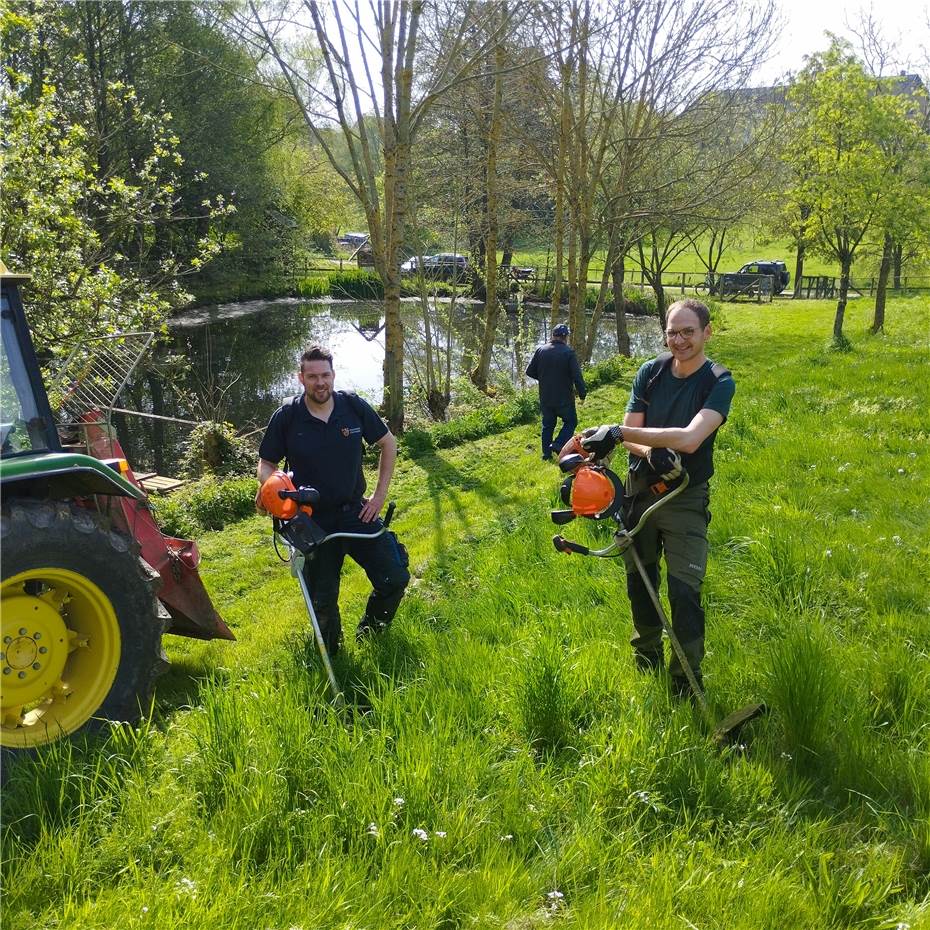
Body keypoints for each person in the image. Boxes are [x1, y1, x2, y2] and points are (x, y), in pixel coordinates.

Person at [569, 299, 735, 696]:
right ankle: (647, 656)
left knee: (684, 591)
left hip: (685, 498)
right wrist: (650, 453)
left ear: (706, 332)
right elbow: (630, 432)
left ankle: (685, 679)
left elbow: (692, 438)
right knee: (639, 581)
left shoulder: (718, 381)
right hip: (639, 494)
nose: (679, 340)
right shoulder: (650, 372)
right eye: (672, 332)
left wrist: (626, 437)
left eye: (688, 332)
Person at [255, 345, 409, 653]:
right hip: (310, 520)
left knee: (394, 578)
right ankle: (333, 653)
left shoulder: (352, 407)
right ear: (301, 379)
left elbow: (388, 443)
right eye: (312, 376)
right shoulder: (287, 416)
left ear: (333, 375)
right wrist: (272, 489)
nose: (320, 382)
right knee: (322, 603)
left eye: (325, 375)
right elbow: (266, 464)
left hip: (356, 512)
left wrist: (378, 498)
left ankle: (370, 633)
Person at [526, 323, 587, 461]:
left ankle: (546, 454)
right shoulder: (568, 353)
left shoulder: (541, 350)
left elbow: (530, 371)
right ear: (566, 337)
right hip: (564, 398)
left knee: (547, 425)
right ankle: (558, 444)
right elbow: (577, 376)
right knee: (571, 421)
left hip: (545, 396)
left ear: (553, 335)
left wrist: (544, 378)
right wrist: (582, 394)